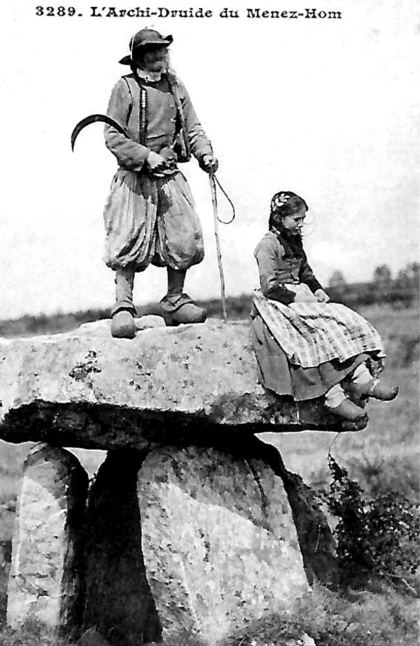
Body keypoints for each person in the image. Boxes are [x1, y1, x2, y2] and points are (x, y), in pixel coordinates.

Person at [103, 28, 219, 338]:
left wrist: (204, 154)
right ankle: (124, 306)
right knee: (127, 238)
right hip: (135, 177)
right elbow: (112, 136)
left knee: (183, 235)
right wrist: (143, 156)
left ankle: (174, 300)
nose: (160, 56)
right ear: (138, 57)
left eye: (162, 50)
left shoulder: (175, 86)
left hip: (169, 173)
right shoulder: (124, 89)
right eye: (152, 51)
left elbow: (193, 127)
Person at [251, 191, 398, 422]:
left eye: (302, 219)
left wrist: (317, 289)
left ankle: (361, 379)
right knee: (308, 336)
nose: (300, 224)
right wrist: (297, 298)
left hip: (302, 294)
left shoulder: (294, 240)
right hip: (278, 301)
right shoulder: (267, 245)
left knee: (341, 320)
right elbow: (269, 286)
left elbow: (305, 272)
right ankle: (333, 397)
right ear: (280, 218)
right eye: (296, 219)